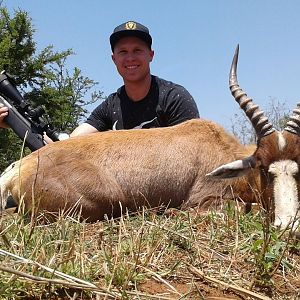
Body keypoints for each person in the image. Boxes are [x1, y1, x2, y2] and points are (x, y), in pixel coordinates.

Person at [0, 20, 199, 136]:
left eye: (137, 50)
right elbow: (69, 143)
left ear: (151, 55)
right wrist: (15, 123)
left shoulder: (175, 98)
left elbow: (193, 152)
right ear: (114, 59)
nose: (130, 58)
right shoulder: (111, 106)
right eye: (123, 52)